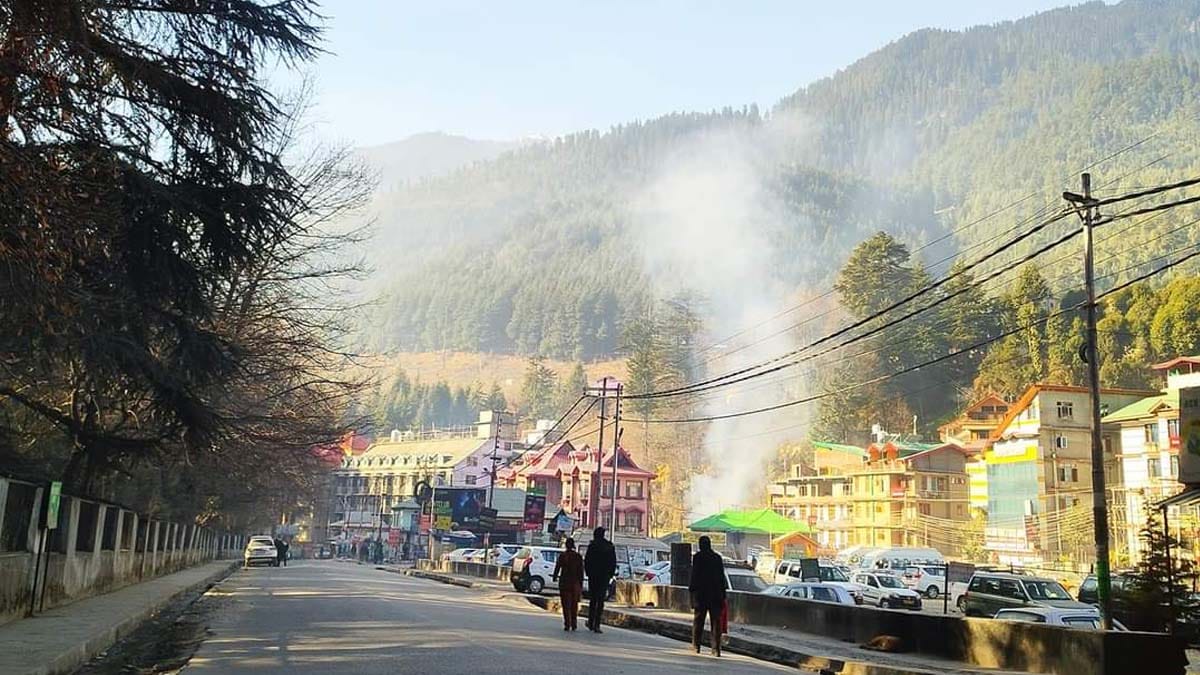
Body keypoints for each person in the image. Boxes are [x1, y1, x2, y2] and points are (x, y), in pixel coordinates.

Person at [688, 535, 726, 657]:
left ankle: (696, 645)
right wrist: (723, 595)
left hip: (701, 595)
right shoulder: (717, 558)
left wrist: (692, 593)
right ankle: (716, 649)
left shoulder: (698, 558)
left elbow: (694, 576)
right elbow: (721, 578)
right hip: (715, 595)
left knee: (698, 621)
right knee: (716, 622)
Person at [583, 526, 616, 633]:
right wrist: (610, 574)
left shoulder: (592, 546)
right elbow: (613, 562)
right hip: (605, 576)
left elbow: (587, 561)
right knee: (601, 600)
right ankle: (597, 624)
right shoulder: (609, 546)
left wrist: (588, 573)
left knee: (593, 599)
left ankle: (591, 621)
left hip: (594, 576)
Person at [552, 537, 585, 631]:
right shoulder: (578, 556)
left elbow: (557, 567)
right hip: (575, 584)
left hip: (564, 583)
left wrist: (555, 577)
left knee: (566, 604)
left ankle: (567, 623)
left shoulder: (563, 556)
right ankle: (574, 623)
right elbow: (581, 571)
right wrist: (581, 583)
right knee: (574, 605)